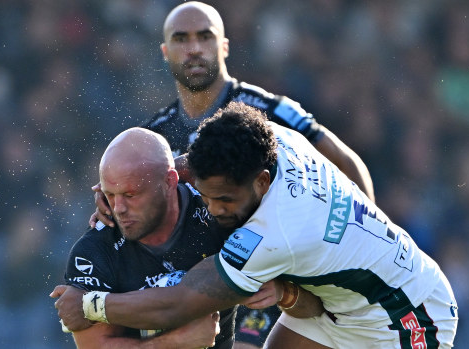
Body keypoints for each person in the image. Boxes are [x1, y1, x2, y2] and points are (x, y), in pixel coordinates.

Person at [53, 103, 458, 348]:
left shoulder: (271, 235)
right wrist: (139, 184)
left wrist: (90, 304)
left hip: (406, 315)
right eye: (208, 196)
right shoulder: (273, 139)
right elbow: (198, 164)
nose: (212, 209)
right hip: (338, 306)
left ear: (262, 182)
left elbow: (182, 299)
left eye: (225, 200)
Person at [90, 3, 375, 347]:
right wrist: (115, 202)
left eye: (204, 37)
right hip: (197, 286)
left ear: (224, 46)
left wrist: (366, 244)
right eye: (181, 39)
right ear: (165, 53)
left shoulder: (269, 110)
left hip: (271, 282)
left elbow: (347, 163)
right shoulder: (154, 138)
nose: (194, 48)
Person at [58, 126, 323, 348]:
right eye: (110, 194)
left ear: (170, 181)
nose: (118, 209)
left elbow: (318, 307)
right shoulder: (93, 252)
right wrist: (175, 342)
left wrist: (283, 293)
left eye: (130, 195)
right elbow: (98, 346)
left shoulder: (221, 213)